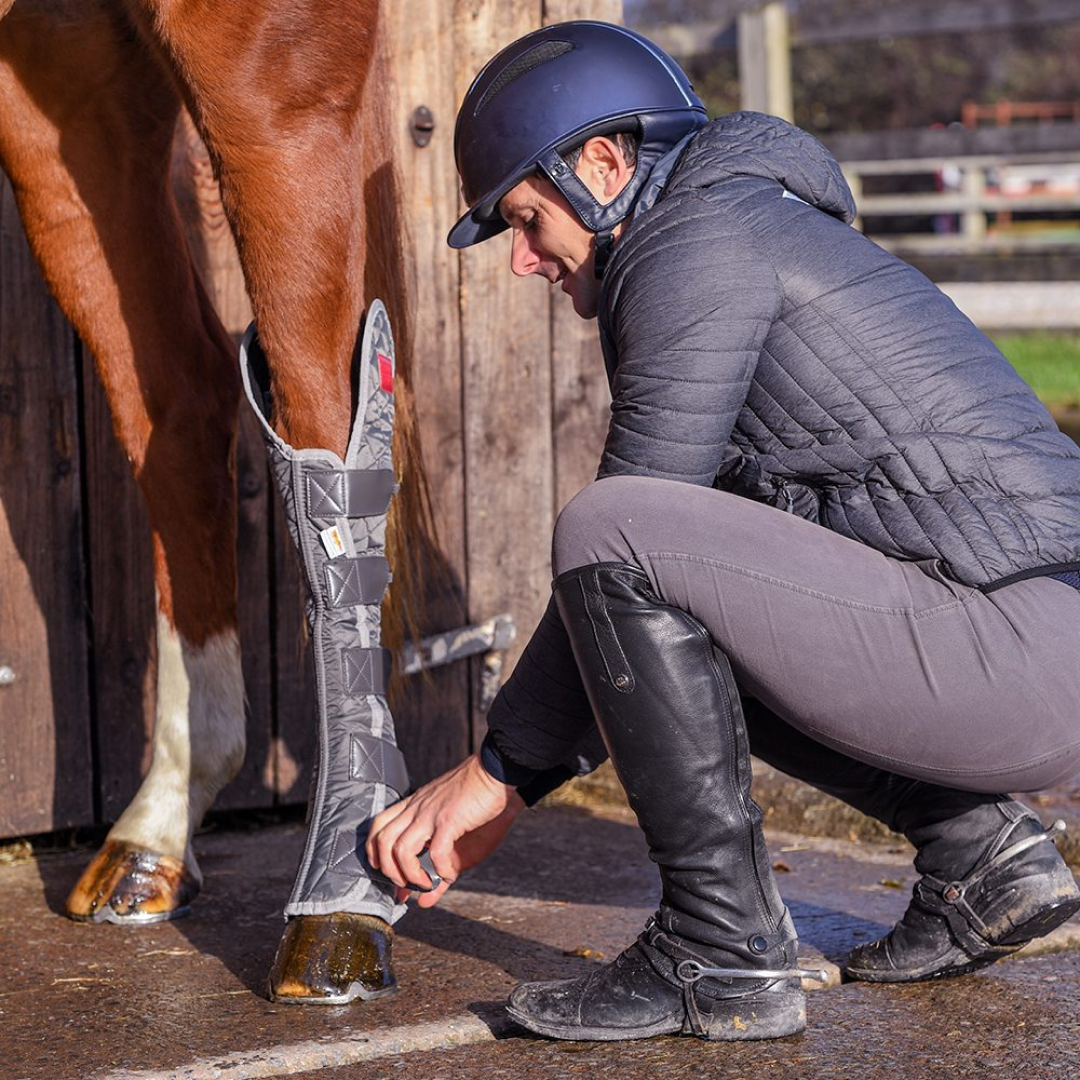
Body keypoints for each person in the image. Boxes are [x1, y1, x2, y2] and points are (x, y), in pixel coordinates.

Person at [367, 21, 1080, 1042]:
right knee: (696, 590)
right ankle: (981, 856)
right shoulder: (733, 223)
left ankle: (719, 952)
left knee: (616, 532)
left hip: (1024, 648)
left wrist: (499, 775)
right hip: (1023, 644)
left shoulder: (695, 240)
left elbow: (624, 536)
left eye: (528, 219)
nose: (525, 260)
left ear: (604, 164)